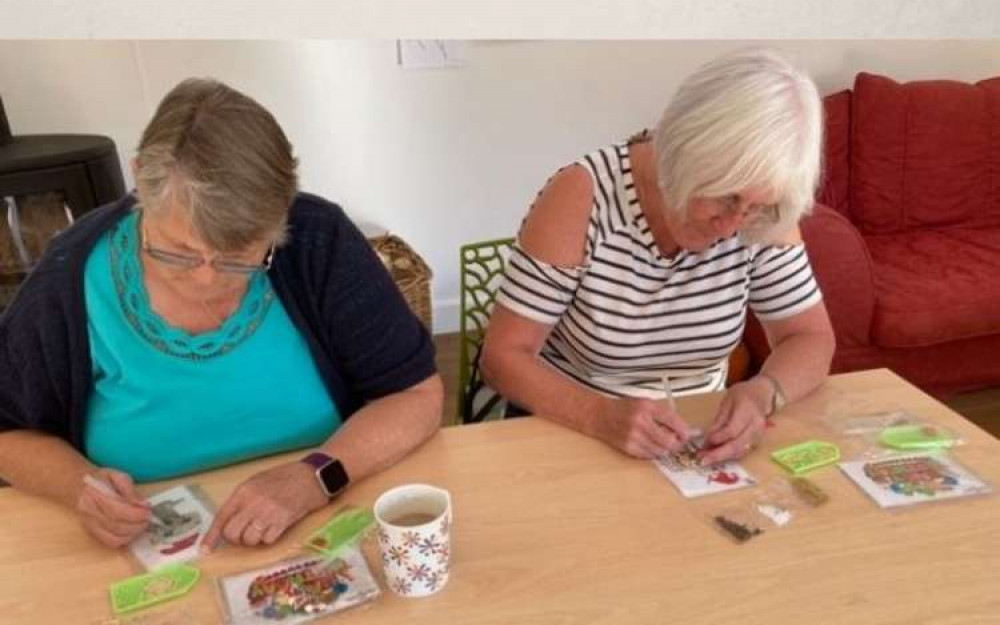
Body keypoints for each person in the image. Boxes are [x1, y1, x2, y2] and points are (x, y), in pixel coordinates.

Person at [0, 78, 443, 550]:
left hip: (321, 530)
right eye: (178, 252)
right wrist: (79, 488)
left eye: (239, 258)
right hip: (134, 553)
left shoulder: (317, 238)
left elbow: (415, 395)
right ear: (139, 185)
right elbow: (8, 431)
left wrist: (316, 476)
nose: (208, 280)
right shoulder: (72, 275)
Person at [481, 49, 835, 466]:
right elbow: (502, 358)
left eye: (756, 208)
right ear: (684, 153)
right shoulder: (582, 196)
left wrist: (763, 393)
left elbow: (810, 338)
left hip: (696, 435)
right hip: (574, 428)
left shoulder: (761, 215)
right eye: (724, 198)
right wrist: (598, 416)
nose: (731, 227)